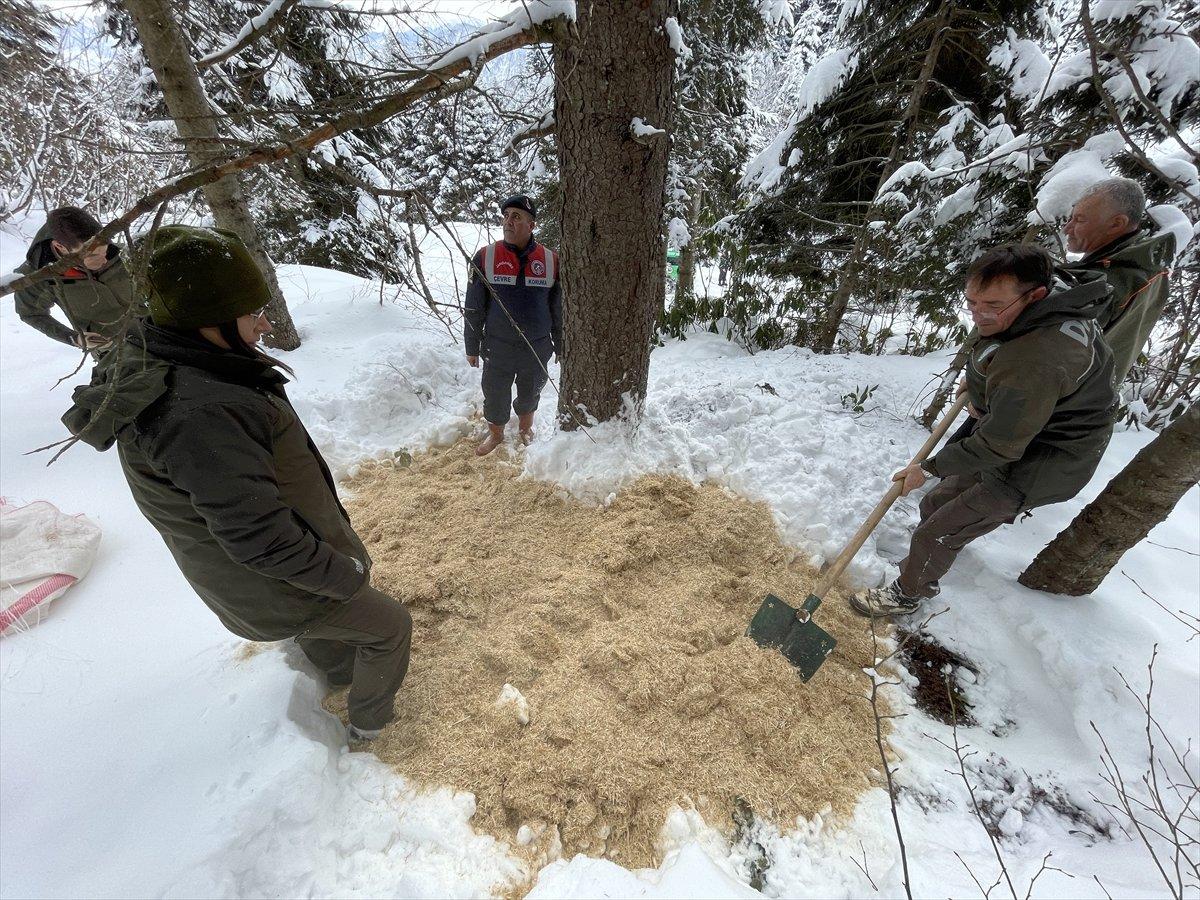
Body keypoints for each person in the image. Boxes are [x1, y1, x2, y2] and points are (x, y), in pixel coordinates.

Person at [62, 225, 411, 742]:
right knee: (389, 626)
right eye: (252, 315)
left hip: (259, 576)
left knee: (332, 621)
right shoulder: (198, 412)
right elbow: (259, 538)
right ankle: (368, 725)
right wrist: (346, 578)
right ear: (207, 319)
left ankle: (337, 668)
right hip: (267, 585)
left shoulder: (176, 355)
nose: (266, 325)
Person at [851, 244, 1117, 618]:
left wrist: (927, 467)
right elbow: (998, 354)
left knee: (935, 532)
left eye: (991, 306)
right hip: (1020, 430)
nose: (978, 314)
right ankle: (936, 550)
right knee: (934, 503)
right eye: (971, 302)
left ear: (1035, 295)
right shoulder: (1046, 302)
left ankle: (908, 594)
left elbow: (1000, 444)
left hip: (1041, 463)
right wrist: (980, 385)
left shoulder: (1037, 359)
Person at [464, 194, 562, 456]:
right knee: (495, 393)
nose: (508, 221)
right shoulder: (486, 256)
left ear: (531, 225)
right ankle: (495, 434)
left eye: (516, 217)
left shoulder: (551, 261)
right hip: (498, 345)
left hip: (537, 346)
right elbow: (474, 306)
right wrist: (472, 346)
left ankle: (525, 429)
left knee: (530, 393)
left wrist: (562, 347)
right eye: (506, 216)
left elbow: (559, 309)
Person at [1061, 178, 1175, 384]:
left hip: (1055, 404)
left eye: (1079, 220)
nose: (1067, 229)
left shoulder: (1111, 281)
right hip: (1086, 403)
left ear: (1116, 224)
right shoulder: (1146, 267)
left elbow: (1047, 347)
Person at [13, 206, 143, 354]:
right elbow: (30, 313)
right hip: (112, 351)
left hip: (160, 333)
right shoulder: (38, 276)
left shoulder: (122, 253)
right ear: (60, 247)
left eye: (105, 249)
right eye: (92, 256)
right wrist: (73, 338)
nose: (104, 260)